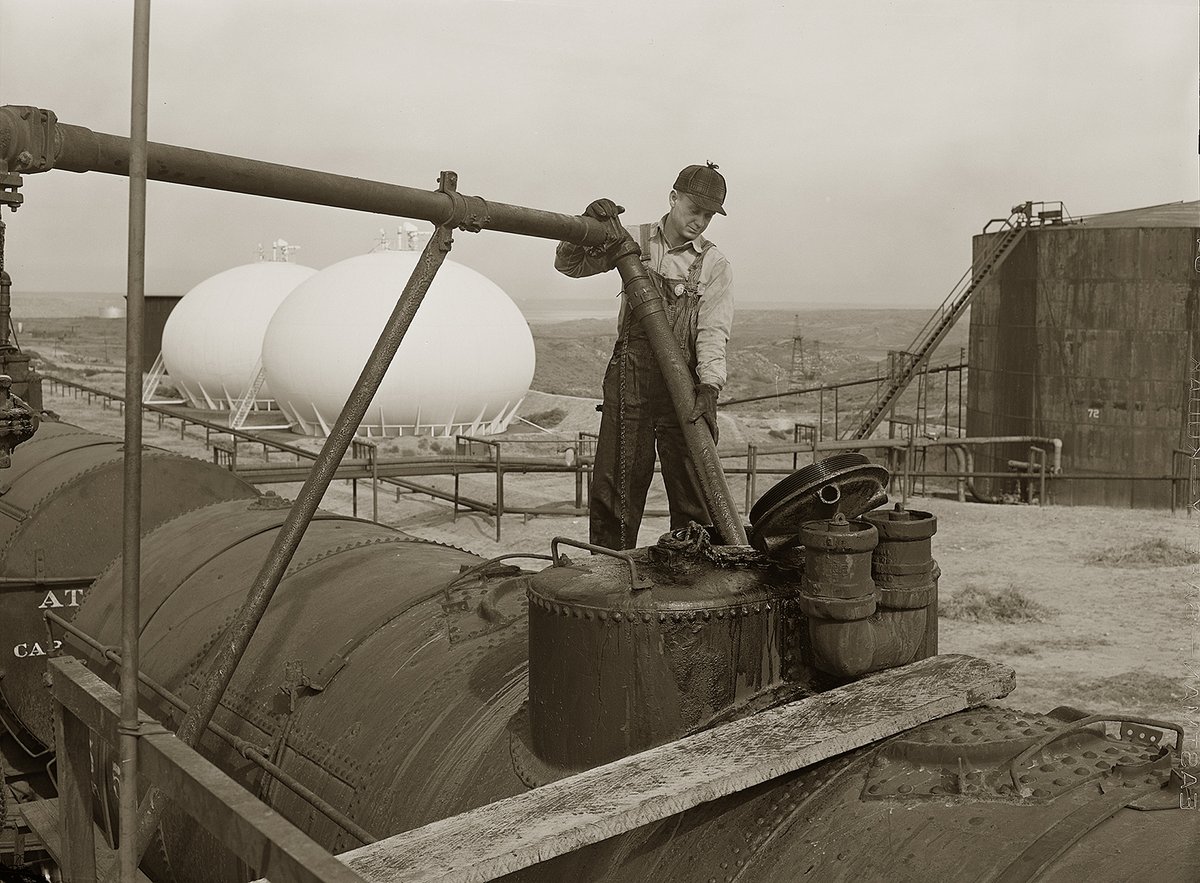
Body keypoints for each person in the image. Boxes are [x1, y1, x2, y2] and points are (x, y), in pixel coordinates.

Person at [554, 162, 734, 550]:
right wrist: (584, 228)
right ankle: (608, 568)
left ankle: (694, 574)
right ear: (673, 199)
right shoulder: (630, 239)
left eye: (708, 215)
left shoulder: (714, 264)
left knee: (694, 487)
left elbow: (712, 331)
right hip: (630, 377)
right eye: (694, 210)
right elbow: (568, 265)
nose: (700, 221)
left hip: (683, 386)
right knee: (616, 483)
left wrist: (710, 386)